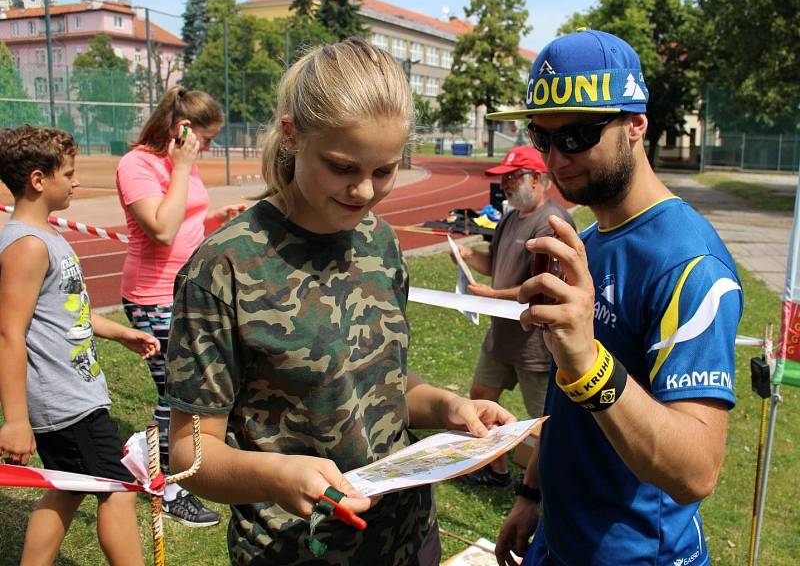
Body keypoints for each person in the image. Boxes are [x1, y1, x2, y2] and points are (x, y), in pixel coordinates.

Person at [163, 37, 515, 565]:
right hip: (295, 550)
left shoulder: (381, 241)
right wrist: (277, 477)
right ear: (292, 135)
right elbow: (191, 451)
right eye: (343, 168)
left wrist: (448, 407)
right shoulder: (224, 267)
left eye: (384, 171)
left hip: (409, 537)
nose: (365, 192)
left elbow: (377, 382)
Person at [486, 30, 743, 566]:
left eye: (578, 135)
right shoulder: (589, 242)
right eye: (542, 137)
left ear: (636, 125)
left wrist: (589, 364)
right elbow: (566, 397)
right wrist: (532, 494)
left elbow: (696, 470)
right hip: (560, 541)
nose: (556, 158)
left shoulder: (690, 264)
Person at [0, 125, 160, 565]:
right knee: (120, 488)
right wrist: (15, 420)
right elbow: (10, 332)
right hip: (66, 402)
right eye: (68, 174)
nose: (75, 182)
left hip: (76, 392)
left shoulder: (48, 236)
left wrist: (119, 332)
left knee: (68, 490)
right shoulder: (28, 246)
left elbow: (64, 313)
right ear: (38, 179)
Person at [115, 86, 245, 526]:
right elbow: (162, 230)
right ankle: (158, 476)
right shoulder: (137, 165)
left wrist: (215, 221)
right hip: (152, 296)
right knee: (175, 397)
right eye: (205, 139)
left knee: (189, 391)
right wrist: (183, 166)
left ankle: (161, 461)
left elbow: (185, 218)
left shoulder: (177, 165)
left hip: (185, 292)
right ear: (180, 129)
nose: (208, 148)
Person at [455, 146, 573, 488]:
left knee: (543, 417)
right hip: (502, 334)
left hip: (535, 340)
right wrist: (467, 257)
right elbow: (494, 264)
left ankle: (549, 484)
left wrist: (490, 295)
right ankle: (497, 470)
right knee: (481, 395)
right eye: (503, 179)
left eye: (511, 177)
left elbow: (546, 288)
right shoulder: (509, 217)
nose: (504, 185)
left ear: (536, 179)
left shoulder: (553, 223)